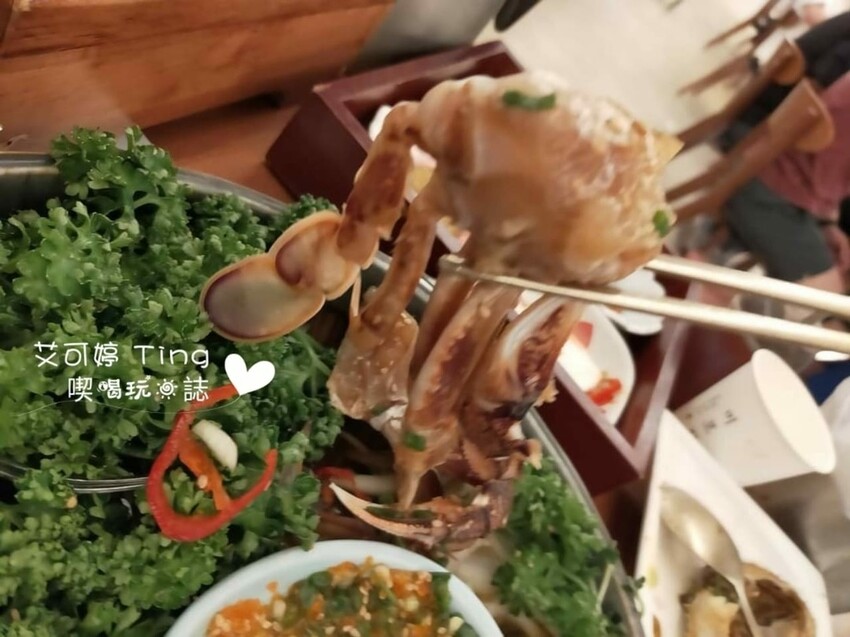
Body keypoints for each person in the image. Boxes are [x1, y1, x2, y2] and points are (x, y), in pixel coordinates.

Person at [722, 71, 850, 293]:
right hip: (763, 183)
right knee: (826, 298)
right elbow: (823, 180)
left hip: (767, 164)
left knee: (833, 277)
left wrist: (827, 224)